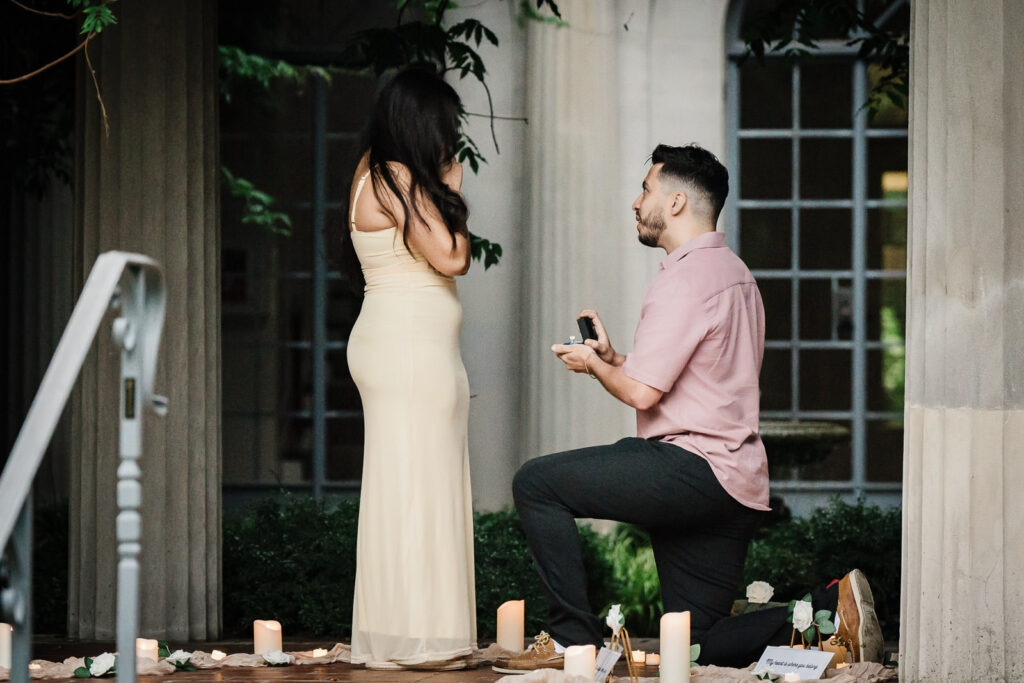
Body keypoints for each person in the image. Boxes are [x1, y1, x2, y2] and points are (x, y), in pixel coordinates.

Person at [496, 144, 882, 673]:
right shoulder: (735, 274)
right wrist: (614, 357)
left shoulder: (684, 276)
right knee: (695, 643)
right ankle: (825, 609)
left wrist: (592, 365)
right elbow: (688, 375)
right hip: (736, 483)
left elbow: (640, 394)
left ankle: (570, 643)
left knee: (536, 484)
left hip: (691, 469)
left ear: (676, 201)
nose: (636, 202)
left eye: (646, 189)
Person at [344, 66, 476, 670]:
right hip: (407, 352)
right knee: (414, 490)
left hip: (410, 349)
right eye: (447, 128)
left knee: (414, 486)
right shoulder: (394, 177)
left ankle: (413, 634)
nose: (452, 140)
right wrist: (451, 183)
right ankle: (415, 638)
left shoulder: (377, 172)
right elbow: (452, 256)